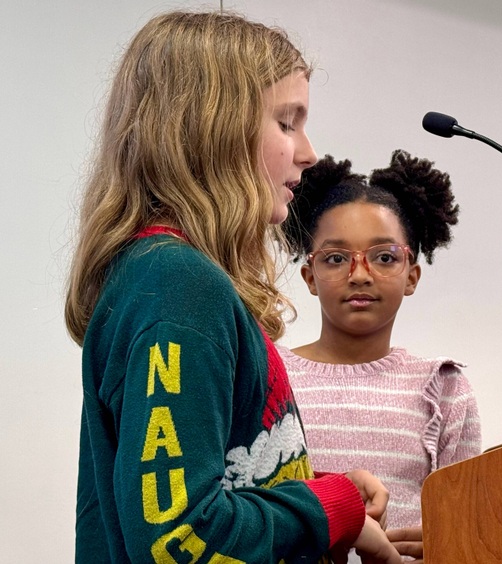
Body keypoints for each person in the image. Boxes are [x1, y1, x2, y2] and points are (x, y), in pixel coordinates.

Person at [65, 11, 402, 563]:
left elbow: (209, 486)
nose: (309, 152)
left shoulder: (173, 279)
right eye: (287, 123)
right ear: (214, 129)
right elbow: (181, 539)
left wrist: (322, 497)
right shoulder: (177, 287)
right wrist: (327, 508)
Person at [279, 151, 483, 561]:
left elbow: (472, 525)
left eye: (384, 257)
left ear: (411, 275)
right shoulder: (270, 374)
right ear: (310, 276)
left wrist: (453, 542)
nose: (359, 274)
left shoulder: (443, 388)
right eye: (336, 258)